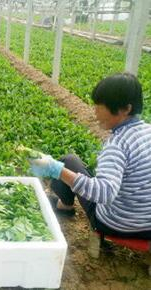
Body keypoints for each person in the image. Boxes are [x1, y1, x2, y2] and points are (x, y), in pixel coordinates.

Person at [29, 73, 151, 239]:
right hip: (147, 225)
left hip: (117, 224)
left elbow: (105, 193)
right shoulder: (147, 132)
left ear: (126, 109)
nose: (95, 113)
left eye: (100, 107)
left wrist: (56, 169)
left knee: (67, 162)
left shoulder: (117, 145)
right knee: (72, 162)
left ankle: (65, 206)